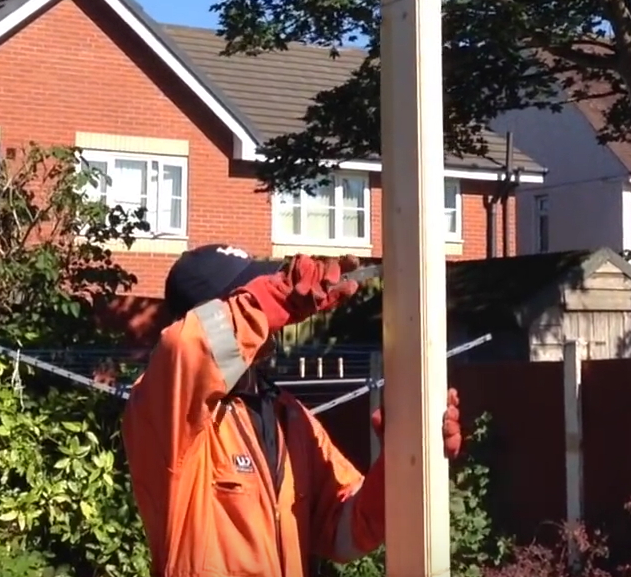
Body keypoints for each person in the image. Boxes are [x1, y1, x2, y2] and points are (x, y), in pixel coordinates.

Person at [122, 243, 463, 577]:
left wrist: (402, 462)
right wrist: (274, 295)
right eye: (250, 294)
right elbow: (185, 346)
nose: (272, 316)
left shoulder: (291, 417)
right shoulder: (170, 414)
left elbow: (345, 531)